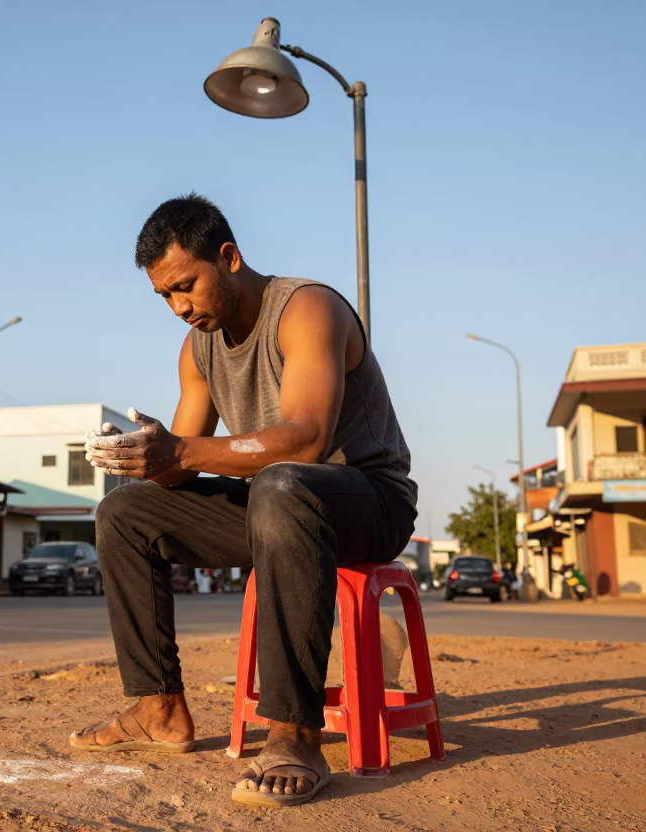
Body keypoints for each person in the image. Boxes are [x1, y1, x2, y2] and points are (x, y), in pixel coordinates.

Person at [69, 193, 417, 808]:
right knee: (123, 513)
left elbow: (306, 440)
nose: (179, 307)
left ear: (228, 257)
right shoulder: (197, 348)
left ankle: (293, 732)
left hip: (367, 498)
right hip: (274, 506)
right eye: (165, 297)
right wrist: (147, 455)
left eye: (186, 287)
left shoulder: (308, 309)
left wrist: (182, 453)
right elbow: (182, 462)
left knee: (284, 483)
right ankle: (159, 709)